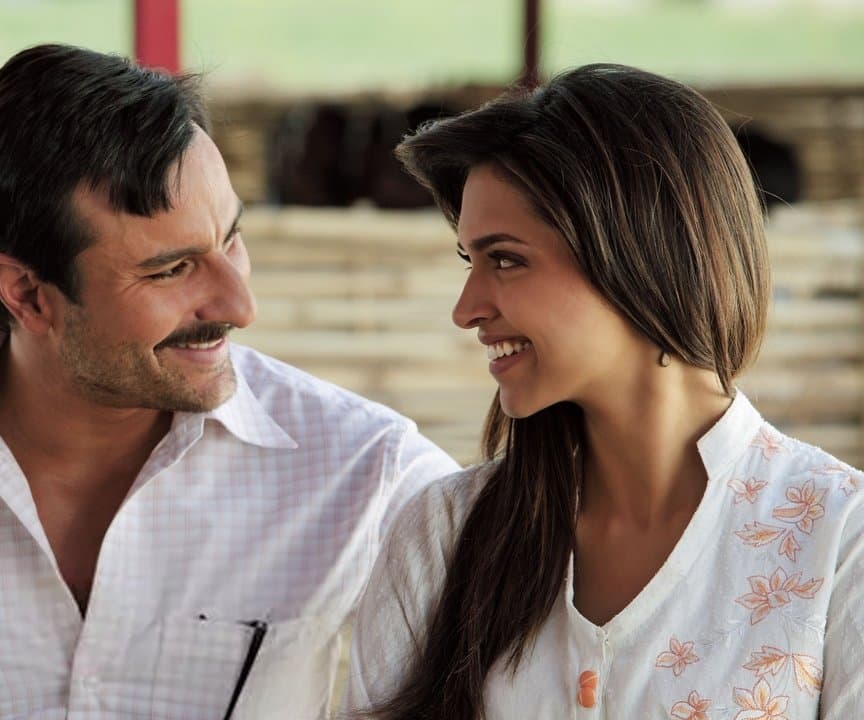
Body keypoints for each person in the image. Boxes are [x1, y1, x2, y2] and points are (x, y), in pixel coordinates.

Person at [0, 44, 460, 719]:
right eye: (172, 270)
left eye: (232, 240)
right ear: (28, 295)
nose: (239, 305)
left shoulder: (370, 473)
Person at [344, 64, 863, 719]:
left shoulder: (841, 541)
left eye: (505, 259)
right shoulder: (441, 537)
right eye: (468, 261)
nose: (466, 309)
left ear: (644, 254)